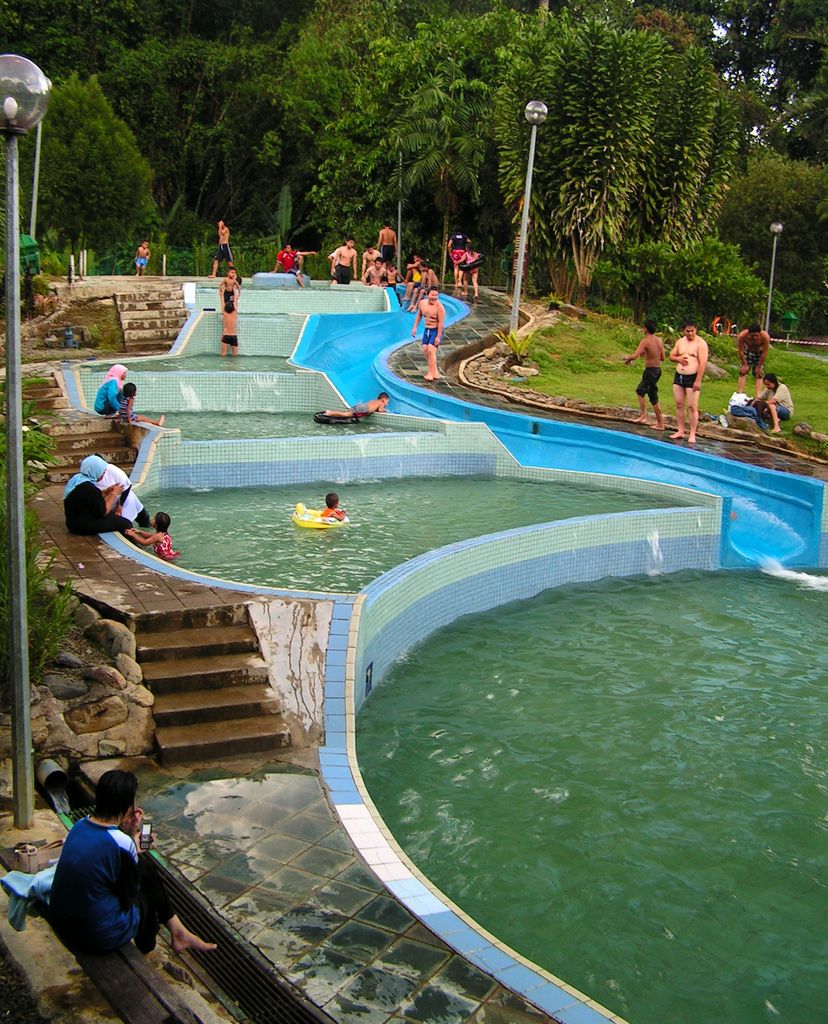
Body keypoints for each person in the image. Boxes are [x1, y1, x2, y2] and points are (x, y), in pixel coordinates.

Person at [50, 770, 216, 956]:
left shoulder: (79, 825)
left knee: (144, 868)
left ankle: (178, 932)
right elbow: (127, 896)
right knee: (146, 894)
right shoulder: (122, 843)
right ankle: (150, 946)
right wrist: (131, 836)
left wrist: (130, 842)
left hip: (61, 921)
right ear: (128, 806)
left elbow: (104, 850)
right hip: (94, 937)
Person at [63, 455, 132, 535]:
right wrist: (114, 494)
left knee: (115, 518)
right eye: (103, 472)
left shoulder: (77, 479)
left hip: (74, 522)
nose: (103, 474)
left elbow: (89, 499)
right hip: (81, 526)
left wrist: (106, 492)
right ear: (95, 471)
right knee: (125, 524)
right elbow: (103, 512)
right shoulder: (87, 487)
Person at [669, 321, 708, 444]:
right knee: (679, 404)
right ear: (683, 331)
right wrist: (678, 358)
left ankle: (692, 433)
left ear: (696, 330)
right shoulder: (680, 342)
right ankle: (680, 430)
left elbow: (703, 363)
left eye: (692, 331)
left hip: (693, 377)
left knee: (692, 406)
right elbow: (671, 355)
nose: (690, 333)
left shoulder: (700, 343)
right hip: (679, 376)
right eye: (687, 331)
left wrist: (698, 381)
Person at [624, 319, 666, 429]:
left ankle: (660, 424)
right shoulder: (659, 340)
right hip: (657, 371)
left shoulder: (645, 341)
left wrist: (628, 358)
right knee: (640, 391)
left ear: (645, 328)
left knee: (653, 397)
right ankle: (643, 416)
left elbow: (635, 356)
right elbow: (662, 357)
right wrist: (648, 353)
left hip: (650, 371)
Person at [96, 461, 151, 527]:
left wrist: (120, 505)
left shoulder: (111, 469)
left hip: (123, 498)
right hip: (109, 505)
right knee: (124, 525)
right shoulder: (89, 480)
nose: (104, 472)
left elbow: (127, 485)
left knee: (143, 517)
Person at [411, 286, 445, 382]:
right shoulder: (422, 303)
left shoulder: (440, 307)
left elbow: (441, 323)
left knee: (431, 350)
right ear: (427, 294)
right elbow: (419, 315)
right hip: (427, 330)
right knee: (425, 350)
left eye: (436, 295)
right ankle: (435, 372)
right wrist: (414, 328)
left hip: (436, 330)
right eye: (432, 295)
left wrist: (438, 337)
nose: (434, 297)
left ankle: (430, 373)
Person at [736, 324, 771, 396]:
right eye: (752, 336)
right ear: (748, 334)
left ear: (760, 333)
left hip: (759, 353)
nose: (754, 338)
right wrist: (745, 364)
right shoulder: (742, 336)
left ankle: (758, 395)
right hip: (747, 351)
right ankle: (740, 393)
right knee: (742, 371)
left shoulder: (765, 337)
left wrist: (759, 367)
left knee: (759, 373)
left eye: (756, 335)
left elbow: (764, 353)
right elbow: (740, 351)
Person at [219, 268, 241, 356]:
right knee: (235, 356)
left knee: (223, 355)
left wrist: (221, 295)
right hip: (234, 336)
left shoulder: (224, 313)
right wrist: (236, 294)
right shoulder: (235, 314)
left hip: (226, 336)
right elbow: (235, 301)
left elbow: (222, 302)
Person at [322, 392, 390, 420]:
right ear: (383, 399)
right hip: (363, 409)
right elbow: (380, 410)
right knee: (346, 414)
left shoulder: (374, 401)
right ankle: (329, 413)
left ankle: (331, 413)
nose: (387, 403)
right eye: (388, 401)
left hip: (360, 406)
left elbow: (374, 408)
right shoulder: (381, 403)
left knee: (347, 413)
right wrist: (386, 410)